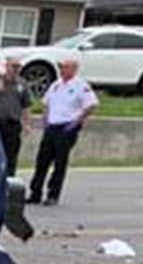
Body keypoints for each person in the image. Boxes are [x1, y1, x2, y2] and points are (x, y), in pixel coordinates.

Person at [28, 57, 98, 206]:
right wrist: (45, 119)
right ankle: (35, 192)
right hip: (52, 127)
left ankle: (53, 194)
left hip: (66, 128)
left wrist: (76, 121)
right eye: (61, 67)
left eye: (65, 67)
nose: (62, 70)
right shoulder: (56, 85)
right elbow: (46, 102)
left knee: (59, 162)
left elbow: (91, 105)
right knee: (42, 161)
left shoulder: (81, 86)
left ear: (74, 69)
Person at [0, 58, 32, 177]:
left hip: (13, 124)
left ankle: (8, 180)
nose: (15, 69)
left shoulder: (22, 84)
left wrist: (26, 124)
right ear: (6, 66)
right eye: (13, 66)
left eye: (18, 67)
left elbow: (26, 106)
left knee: (11, 155)